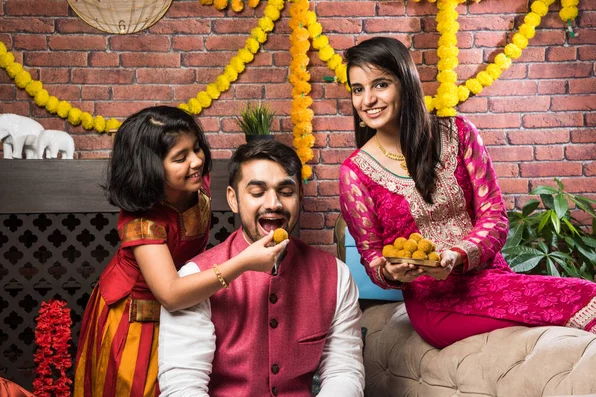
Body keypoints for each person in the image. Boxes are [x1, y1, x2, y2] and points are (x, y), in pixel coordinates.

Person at [339, 37, 596, 349]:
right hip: (435, 304)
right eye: (357, 89)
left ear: (405, 83)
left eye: (380, 84)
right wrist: (392, 271)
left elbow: (495, 219)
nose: (367, 99)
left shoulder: (459, 135)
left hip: (494, 278)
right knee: (583, 295)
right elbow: (372, 256)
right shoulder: (355, 173)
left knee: (586, 293)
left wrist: (456, 256)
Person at [73, 106, 289, 397]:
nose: (197, 161)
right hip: (138, 316)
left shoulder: (195, 182)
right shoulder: (142, 221)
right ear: (150, 167)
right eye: (180, 157)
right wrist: (243, 263)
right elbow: (171, 295)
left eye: (197, 148)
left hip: (188, 299)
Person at [158, 140, 365, 396]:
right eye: (257, 192)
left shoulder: (336, 275)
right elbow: (182, 387)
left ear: (300, 195)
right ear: (234, 200)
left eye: (286, 192)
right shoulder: (194, 278)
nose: (274, 204)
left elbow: (343, 371)